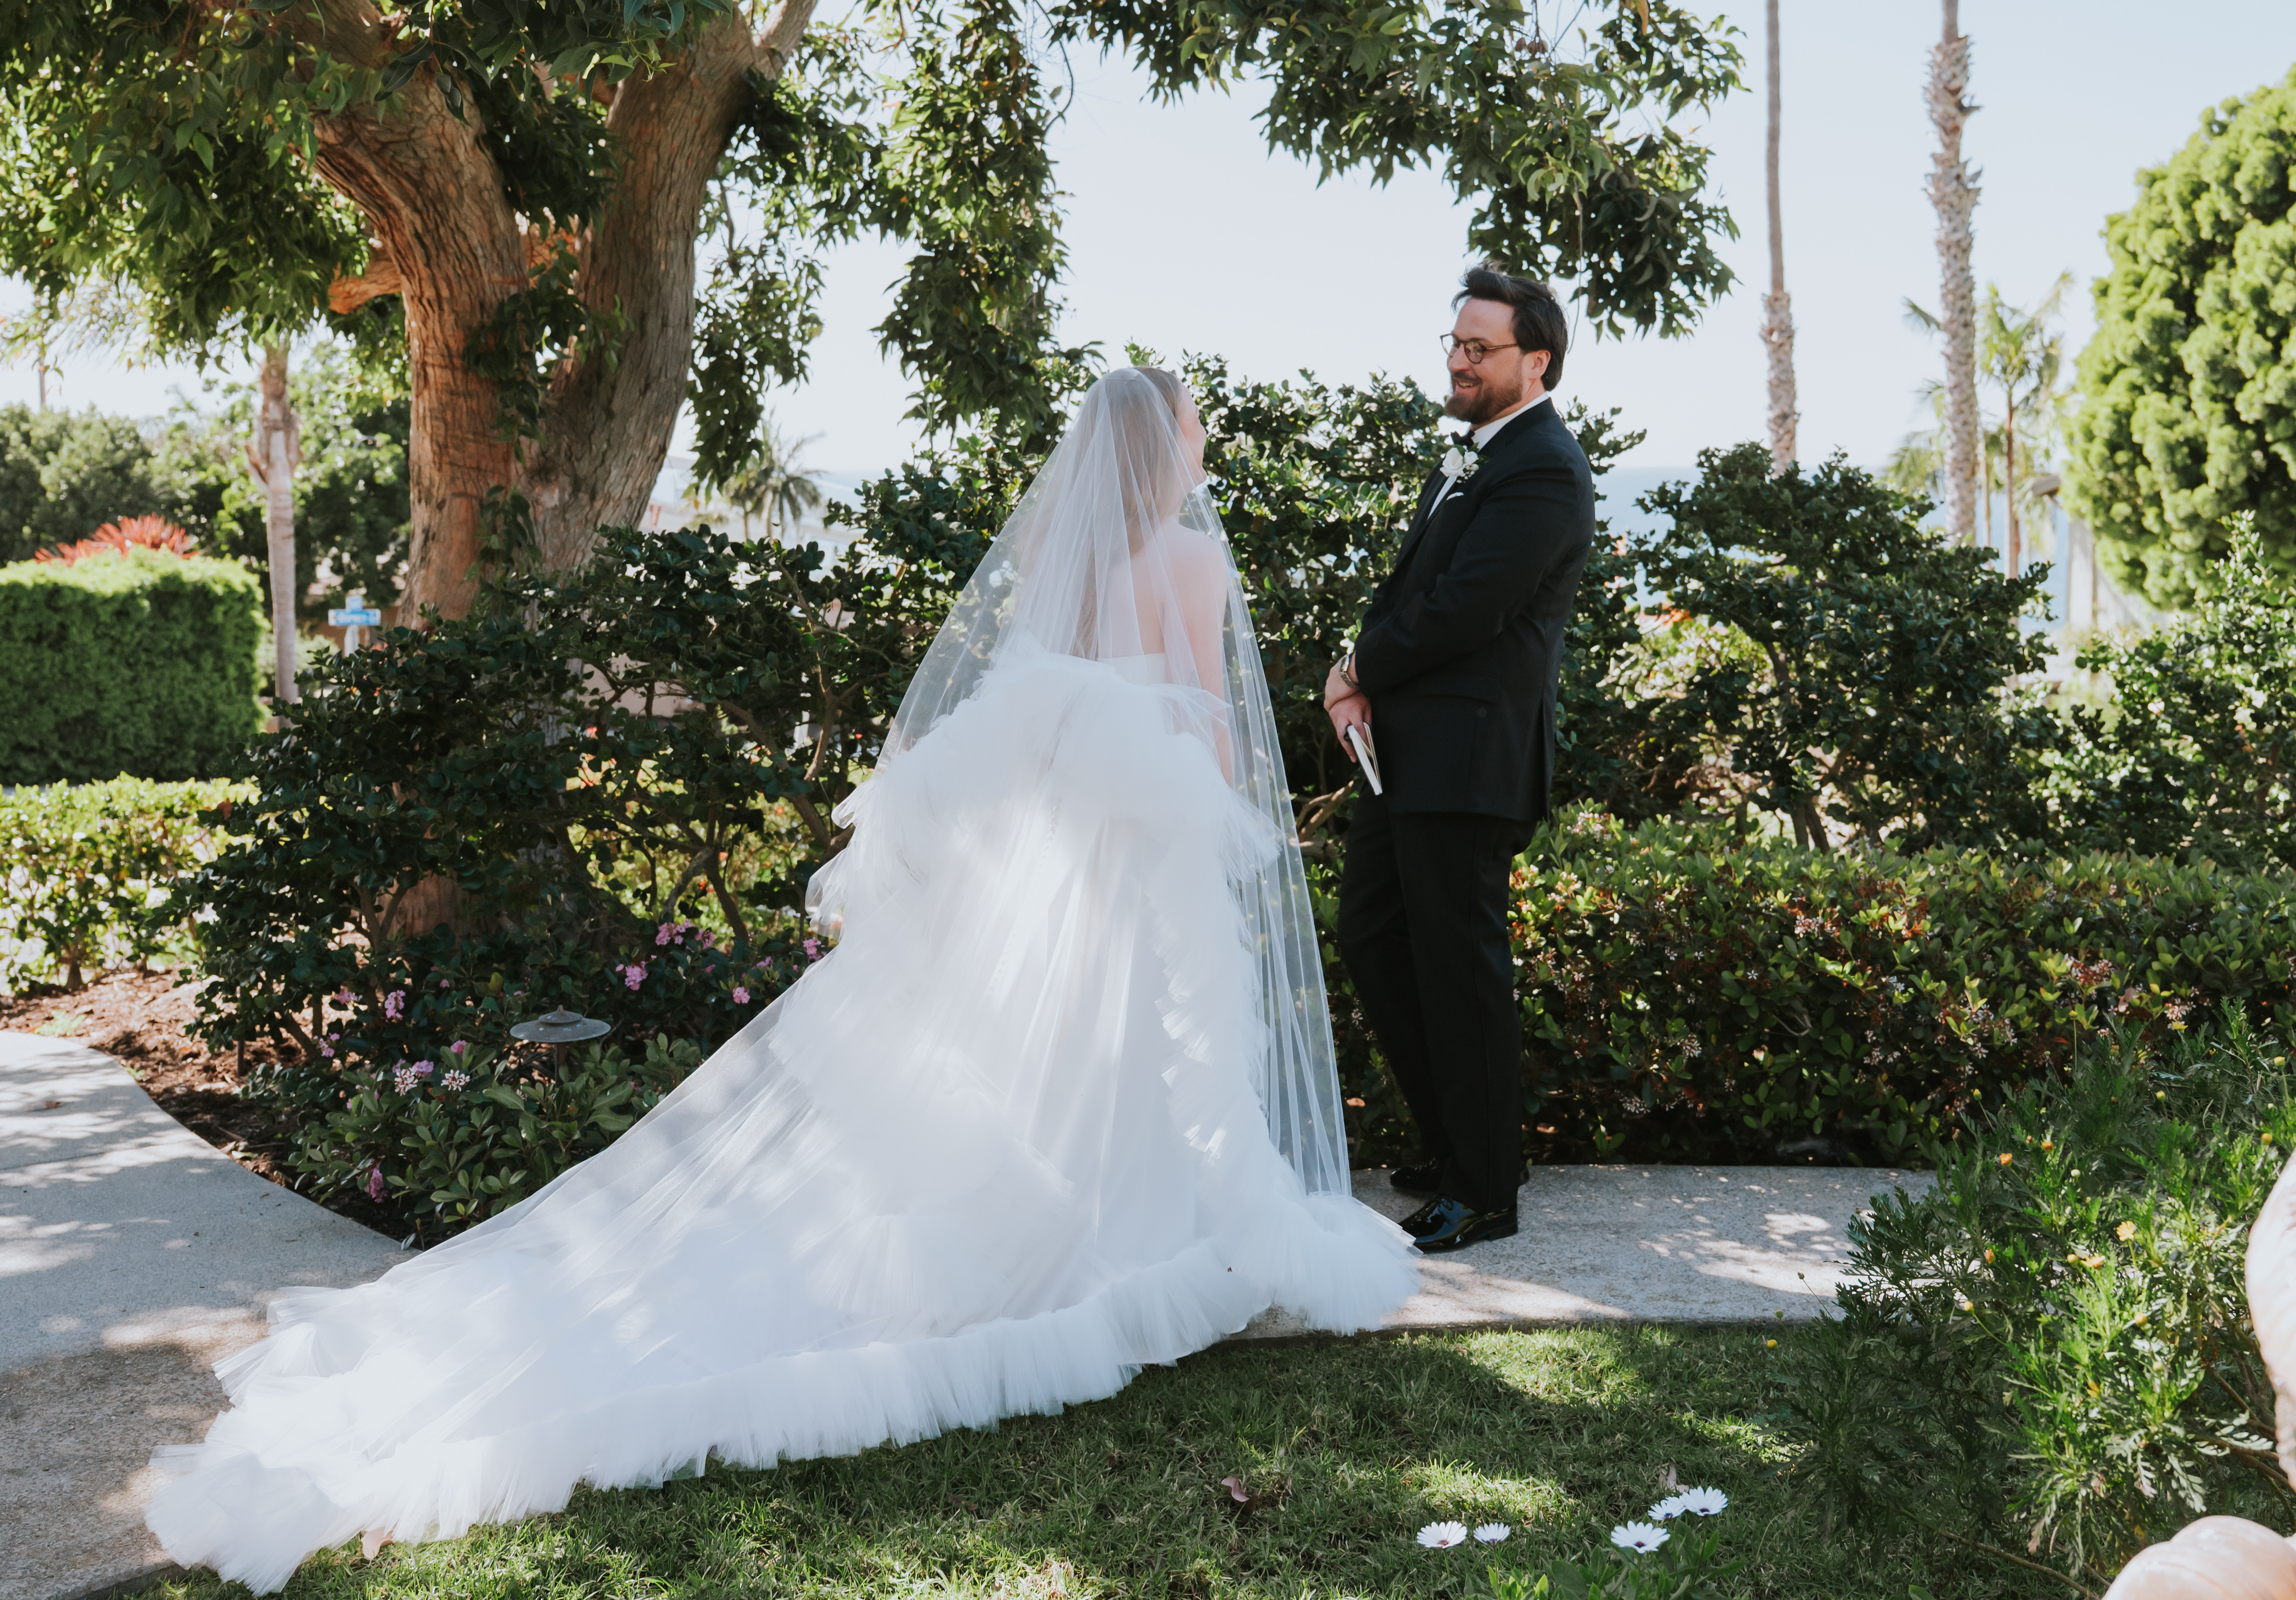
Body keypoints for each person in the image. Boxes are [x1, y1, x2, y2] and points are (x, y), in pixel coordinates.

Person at [143, 367, 1418, 1593]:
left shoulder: (1058, 559)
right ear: (1165, 450)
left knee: (1069, 1048)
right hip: (1140, 858)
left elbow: (1037, 702)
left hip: (1059, 855)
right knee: (1142, 1049)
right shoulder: (1193, 559)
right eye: (1191, 431)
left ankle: (1111, 1235)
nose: (1200, 448)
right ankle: (1146, 1244)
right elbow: (1201, 712)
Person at [1322, 267, 1597, 1254]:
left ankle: (1483, 1188)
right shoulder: (1477, 456)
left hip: (1468, 759)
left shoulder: (1544, 468)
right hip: (1403, 752)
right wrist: (1357, 676)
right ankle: (1459, 1142)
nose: (1456, 359)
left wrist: (1357, 665)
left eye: (1477, 348)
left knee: (1459, 968)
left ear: (1537, 361)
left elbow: (1468, 609)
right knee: (1372, 935)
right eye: (1453, 342)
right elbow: (1410, 589)